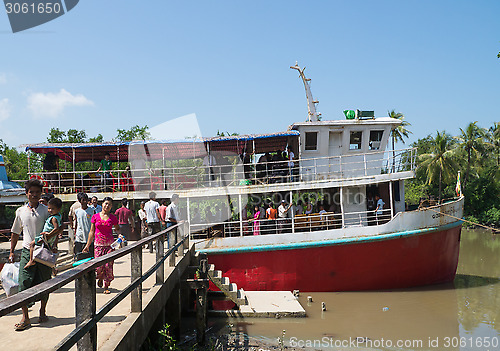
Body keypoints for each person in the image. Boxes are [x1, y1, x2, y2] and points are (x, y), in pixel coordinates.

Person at [9, 179, 63, 331]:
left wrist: (54, 245)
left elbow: (58, 228)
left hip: (44, 250)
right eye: (31, 192)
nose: (34, 194)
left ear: (41, 194)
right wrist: (12, 251)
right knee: (24, 282)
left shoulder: (47, 210)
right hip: (28, 251)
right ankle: (25, 317)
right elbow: (15, 232)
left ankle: (42, 310)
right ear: (26, 193)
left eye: (37, 192)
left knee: (44, 282)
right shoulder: (20, 211)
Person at [83, 197, 121, 294]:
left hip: (110, 246)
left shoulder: (113, 218)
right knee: (98, 267)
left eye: (109, 204)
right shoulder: (95, 216)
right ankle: (100, 278)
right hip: (98, 245)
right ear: (102, 204)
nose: (107, 206)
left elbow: (117, 229)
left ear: (111, 206)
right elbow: (91, 232)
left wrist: (119, 235)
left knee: (108, 266)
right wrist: (87, 245)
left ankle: (106, 286)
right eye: (105, 203)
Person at [25, 197, 63, 268]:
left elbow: (56, 228)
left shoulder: (53, 218)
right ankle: (53, 267)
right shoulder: (59, 216)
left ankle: (31, 260)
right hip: (50, 238)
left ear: (58, 209)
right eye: (49, 208)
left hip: (45, 236)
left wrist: (49, 234)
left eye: (52, 209)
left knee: (32, 244)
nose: (50, 210)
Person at [74, 192, 94, 260]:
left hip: (89, 236)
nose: (85, 201)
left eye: (86, 199)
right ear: (79, 201)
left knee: (90, 256)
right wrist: (75, 233)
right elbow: (76, 222)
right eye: (83, 200)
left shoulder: (91, 210)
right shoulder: (77, 211)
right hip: (80, 236)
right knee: (80, 255)